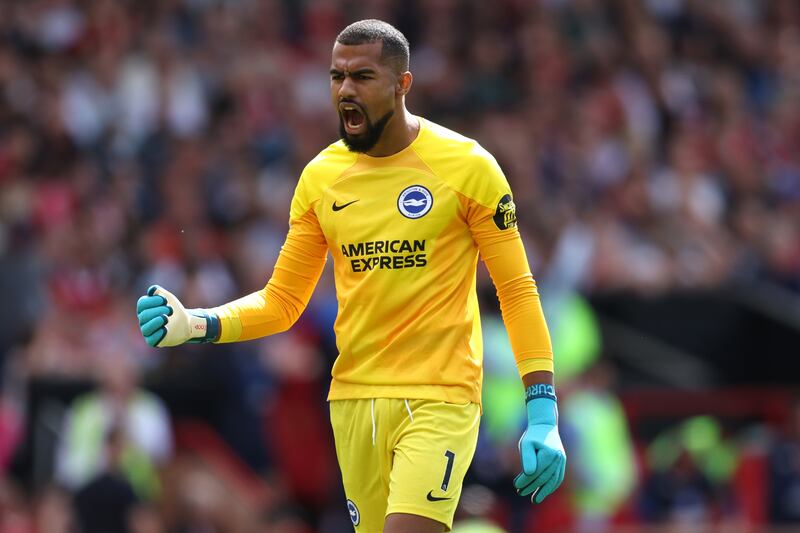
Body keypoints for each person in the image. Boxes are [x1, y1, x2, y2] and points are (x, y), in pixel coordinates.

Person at [136, 19, 565, 533]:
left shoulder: (468, 167)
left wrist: (541, 407)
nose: (345, 90)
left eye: (362, 76)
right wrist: (198, 323)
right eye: (336, 77)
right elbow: (281, 303)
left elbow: (517, 290)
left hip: (440, 396)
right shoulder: (320, 179)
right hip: (353, 401)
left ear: (402, 84)